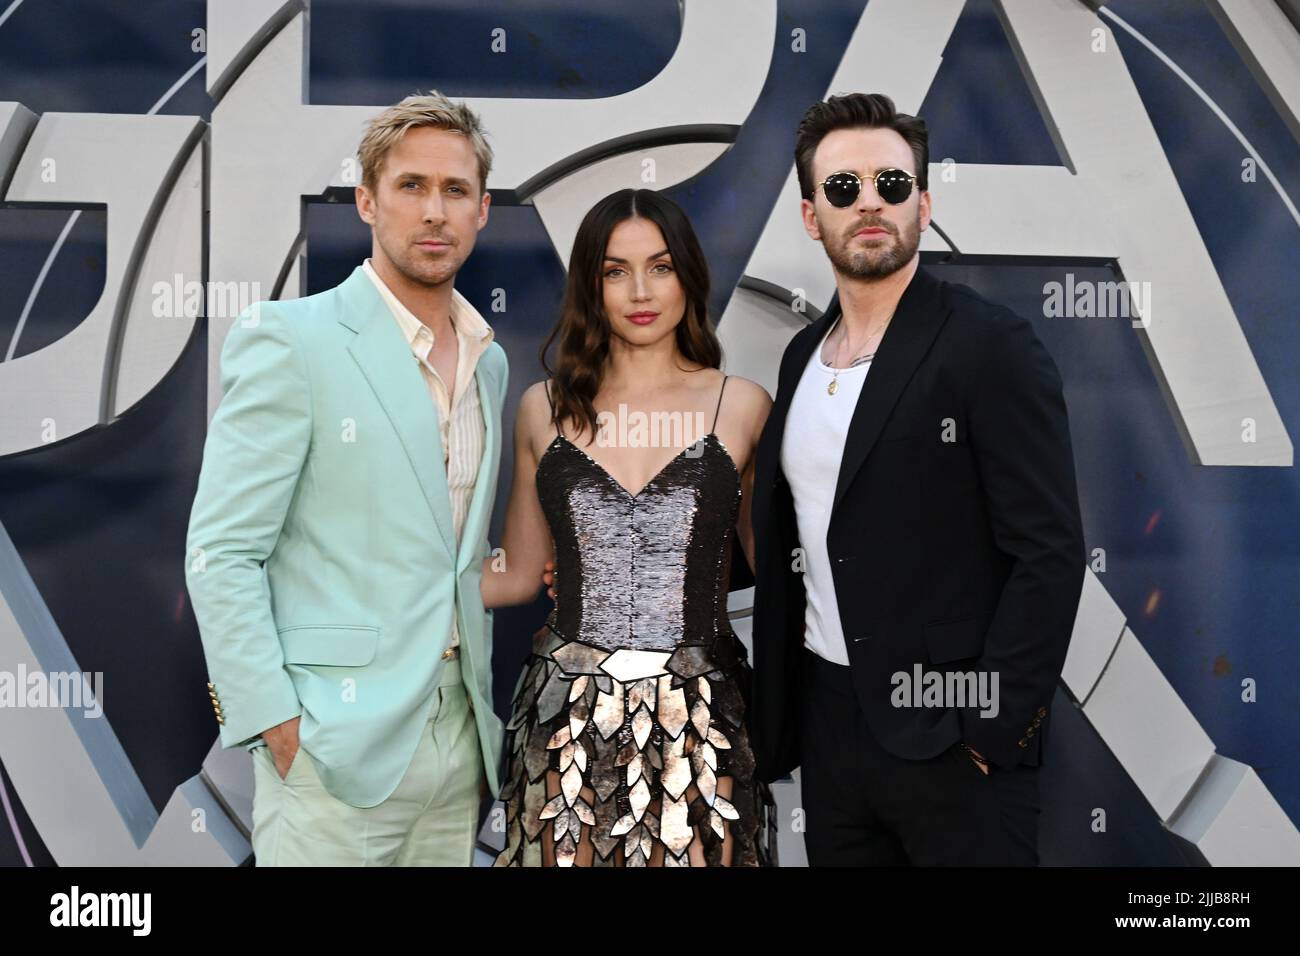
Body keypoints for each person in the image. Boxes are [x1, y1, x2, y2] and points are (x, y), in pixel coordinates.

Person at [749, 93, 1086, 865]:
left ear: (923, 204)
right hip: (832, 736)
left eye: (891, 185)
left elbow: (1051, 554)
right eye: (842, 188)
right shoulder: (801, 358)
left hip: (953, 747)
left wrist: (988, 735)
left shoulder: (990, 346)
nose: (869, 202)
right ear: (811, 216)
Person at [185, 91, 507, 865]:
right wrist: (278, 725)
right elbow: (221, 552)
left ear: (482, 210)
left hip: (460, 744)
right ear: (367, 200)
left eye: (455, 190)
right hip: (333, 752)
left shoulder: (488, 362)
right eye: (411, 186)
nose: (435, 211)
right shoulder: (290, 341)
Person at [482, 188, 777, 866]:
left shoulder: (743, 406)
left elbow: (789, 580)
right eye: (615, 271)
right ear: (591, 285)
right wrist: (372, 597)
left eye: (661, 267)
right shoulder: (542, 408)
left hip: (704, 715)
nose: (640, 291)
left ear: (689, 277)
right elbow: (518, 574)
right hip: (565, 713)